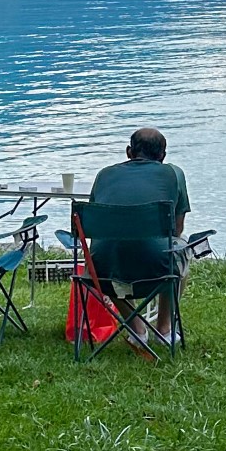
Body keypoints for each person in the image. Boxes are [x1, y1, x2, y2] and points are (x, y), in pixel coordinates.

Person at [87, 127, 191, 342]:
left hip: (101, 272)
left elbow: (95, 226)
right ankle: (165, 330)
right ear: (162, 156)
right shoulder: (174, 173)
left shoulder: (104, 175)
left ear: (128, 152)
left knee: (111, 250)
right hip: (158, 269)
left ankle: (136, 330)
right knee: (181, 247)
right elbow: (176, 229)